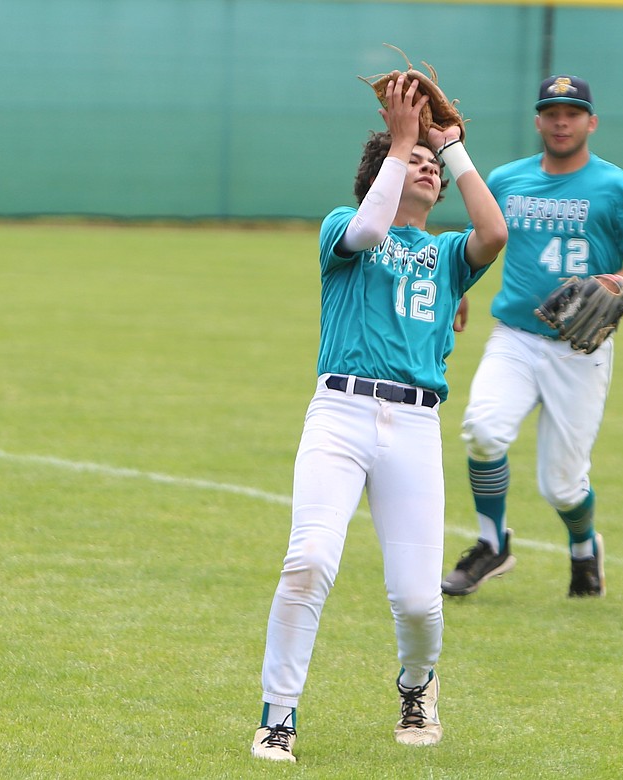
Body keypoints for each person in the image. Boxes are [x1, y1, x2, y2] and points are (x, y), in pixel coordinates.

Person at [251, 74, 506, 762]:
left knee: (420, 603)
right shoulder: (346, 224)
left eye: (432, 167)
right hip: (339, 414)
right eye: (412, 161)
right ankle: (279, 715)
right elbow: (369, 226)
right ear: (382, 175)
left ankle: (417, 684)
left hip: (415, 429)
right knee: (307, 561)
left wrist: (450, 147)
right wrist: (400, 144)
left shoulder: (450, 254)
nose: (425, 168)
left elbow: (494, 231)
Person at [441, 75, 623, 599]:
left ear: (591, 122)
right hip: (516, 337)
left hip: (579, 350)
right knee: (482, 430)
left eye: (572, 112)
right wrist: (459, 284)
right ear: (538, 120)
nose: (561, 121)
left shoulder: (618, 188)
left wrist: (618, 280)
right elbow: (484, 238)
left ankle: (584, 549)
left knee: (562, 486)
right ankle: (491, 544)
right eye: (551, 111)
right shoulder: (507, 180)